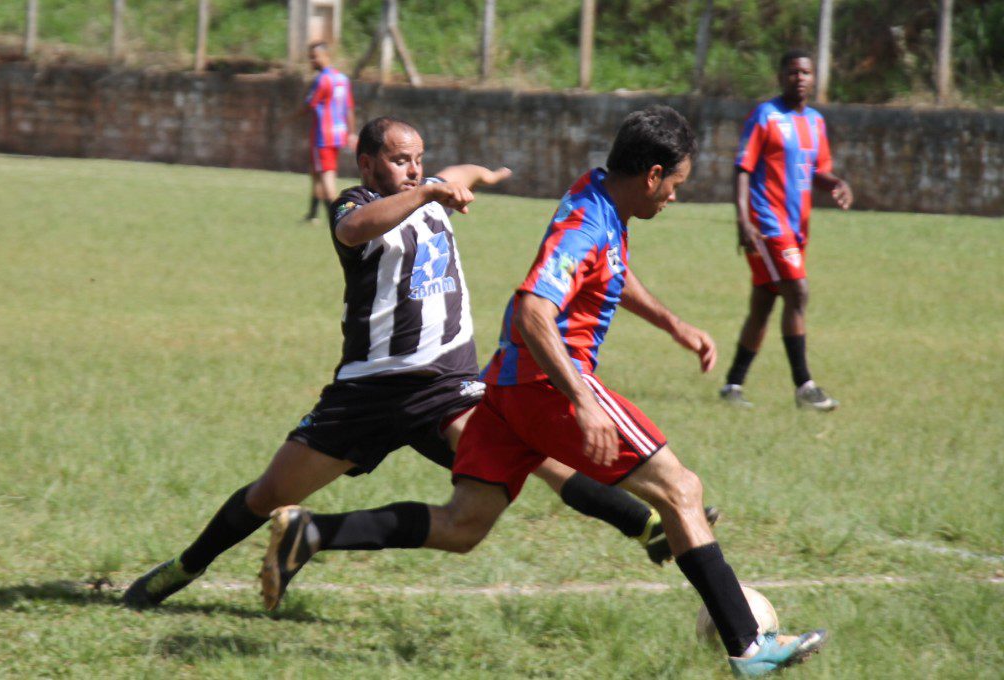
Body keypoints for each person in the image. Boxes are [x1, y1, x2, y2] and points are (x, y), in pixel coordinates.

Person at [262, 107, 827, 677]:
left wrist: (673, 324)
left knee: (462, 525)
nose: (674, 197)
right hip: (544, 384)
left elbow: (609, 269)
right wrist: (582, 400)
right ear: (652, 175)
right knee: (681, 489)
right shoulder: (587, 222)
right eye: (674, 184)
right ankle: (748, 647)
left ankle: (315, 531)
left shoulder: (599, 195)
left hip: (505, 388)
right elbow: (534, 310)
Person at [122, 116, 704, 611]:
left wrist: (481, 175)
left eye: (418, 161)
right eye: (400, 160)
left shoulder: (431, 187)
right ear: (367, 163)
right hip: (367, 392)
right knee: (268, 493)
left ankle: (645, 524)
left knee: (537, 457)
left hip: (445, 386)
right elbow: (354, 230)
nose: (412, 169)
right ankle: (183, 568)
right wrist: (429, 192)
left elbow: (460, 174)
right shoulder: (357, 204)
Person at [720, 49, 853, 411]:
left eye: (805, 72)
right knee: (797, 292)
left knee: (764, 302)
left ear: (814, 77)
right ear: (780, 77)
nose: (800, 78)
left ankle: (732, 385)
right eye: (793, 72)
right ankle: (804, 387)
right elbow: (743, 168)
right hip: (767, 223)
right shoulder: (766, 116)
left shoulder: (816, 123)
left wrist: (836, 183)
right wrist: (743, 219)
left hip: (797, 227)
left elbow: (816, 171)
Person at [303, 41, 357, 223]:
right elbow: (349, 107)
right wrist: (351, 133)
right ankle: (312, 214)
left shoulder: (322, 79)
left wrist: (288, 118)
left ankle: (338, 218)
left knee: (327, 177)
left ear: (326, 56)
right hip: (337, 134)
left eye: (314, 57)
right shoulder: (342, 79)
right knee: (317, 174)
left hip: (322, 136)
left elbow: (308, 105)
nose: (312, 61)